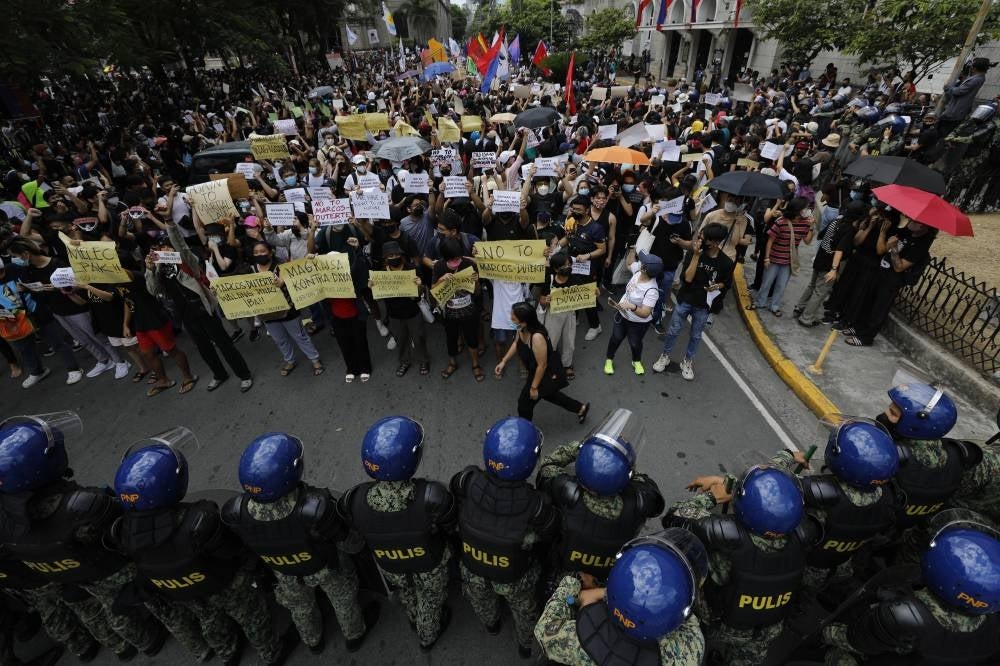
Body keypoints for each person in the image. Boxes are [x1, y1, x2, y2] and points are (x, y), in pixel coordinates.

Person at [113, 431, 295, 666]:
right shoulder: (199, 520)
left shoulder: (122, 530)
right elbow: (232, 550)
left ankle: (227, 652)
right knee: (252, 615)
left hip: (181, 590)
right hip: (221, 582)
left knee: (208, 618)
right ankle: (272, 653)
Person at [0, 412, 168, 661]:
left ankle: (115, 646)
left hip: (56, 573)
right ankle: (158, 631)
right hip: (104, 568)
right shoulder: (82, 506)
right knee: (130, 594)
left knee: (83, 607)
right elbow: (125, 525)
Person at [221, 433, 379, 655]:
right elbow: (349, 544)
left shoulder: (236, 511)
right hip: (325, 568)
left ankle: (313, 641)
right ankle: (354, 635)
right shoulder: (315, 507)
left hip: (285, 572)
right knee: (343, 600)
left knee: (300, 607)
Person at [665, 463, 812, 665]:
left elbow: (675, 515)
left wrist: (713, 496)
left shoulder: (726, 541)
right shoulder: (804, 536)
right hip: (769, 626)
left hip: (722, 625)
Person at [822, 510, 1000, 664]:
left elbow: (852, 640)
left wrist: (827, 632)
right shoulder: (993, 630)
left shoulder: (903, 615)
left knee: (835, 653)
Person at [339, 416, 455, 651]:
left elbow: (353, 537)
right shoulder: (432, 496)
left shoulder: (355, 500)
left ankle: (413, 616)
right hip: (429, 564)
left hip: (391, 564)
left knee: (407, 591)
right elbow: (450, 528)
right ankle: (427, 635)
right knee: (431, 600)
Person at [450, 417, 557, 659]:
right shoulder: (537, 505)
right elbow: (548, 535)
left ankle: (492, 624)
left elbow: (453, 505)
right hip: (515, 575)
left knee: (481, 599)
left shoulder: (466, 480)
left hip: (473, 567)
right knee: (524, 609)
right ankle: (525, 645)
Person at [534, 529, 707, 665]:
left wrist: (574, 581)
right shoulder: (689, 651)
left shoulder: (575, 641)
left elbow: (543, 630)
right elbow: (686, 615)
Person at [536, 408, 664, 583]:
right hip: (605, 579)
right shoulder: (641, 502)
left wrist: (580, 448)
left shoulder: (564, 490)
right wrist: (623, 461)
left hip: (565, 573)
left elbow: (547, 467)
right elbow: (646, 485)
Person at [773, 417, 900, 593]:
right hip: (842, 565)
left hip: (806, 565)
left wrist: (786, 455)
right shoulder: (887, 498)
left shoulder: (819, 494)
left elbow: (771, 486)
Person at [146, 221, 254, 392]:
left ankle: (244, 374)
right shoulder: (158, 269)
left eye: (167, 247)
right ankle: (219, 374)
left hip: (203, 309)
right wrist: (150, 270)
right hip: (186, 315)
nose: (164, 251)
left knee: (224, 344)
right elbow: (153, 290)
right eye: (161, 248)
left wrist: (170, 223)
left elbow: (181, 244)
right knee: (204, 348)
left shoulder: (186, 260)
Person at [653, 223, 733, 381]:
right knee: (673, 330)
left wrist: (718, 285)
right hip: (686, 299)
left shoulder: (726, 263)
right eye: (701, 236)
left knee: (696, 336)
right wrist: (696, 256)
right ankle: (665, 355)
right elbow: (687, 278)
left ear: (715, 242)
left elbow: (726, 283)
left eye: (705, 238)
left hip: (703, 306)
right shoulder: (693, 253)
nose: (700, 240)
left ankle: (687, 361)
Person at [496, 301, 590, 423]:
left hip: (545, 373)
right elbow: (516, 343)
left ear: (524, 321)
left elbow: (542, 365)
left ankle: (525, 429)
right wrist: (504, 361)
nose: (511, 319)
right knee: (550, 394)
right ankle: (580, 408)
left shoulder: (537, 338)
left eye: (513, 318)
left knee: (524, 403)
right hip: (536, 370)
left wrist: (534, 387)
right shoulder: (521, 328)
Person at [248, 241, 324, 376]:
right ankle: (290, 360)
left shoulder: (281, 265)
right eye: (256, 252)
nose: (259, 254)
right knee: (280, 340)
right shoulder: (250, 269)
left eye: (262, 251)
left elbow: (292, 279)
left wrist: (282, 282)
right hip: (266, 313)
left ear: (270, 253)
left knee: (300, 336)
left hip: (288, 311)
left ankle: (314, 359)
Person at [537, 251, 597, 380]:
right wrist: (545, 301)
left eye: (569, 265)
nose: (568, 268)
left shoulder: (575, 279)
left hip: (570, 314)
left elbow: (588, 293)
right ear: (555, 269)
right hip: (553, 315)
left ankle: (567, 365)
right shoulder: (550, 280)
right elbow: (541, 300)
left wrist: (595, 292)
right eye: (564, 266)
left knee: (569, 341)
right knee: (551, 342)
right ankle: (548, 365)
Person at [431, 237, 483, 382]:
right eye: (452, 259)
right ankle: (452, 363)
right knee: (451, 339)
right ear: (445, 257)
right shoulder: (439, 267)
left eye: (458, 257)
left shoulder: (470, 264)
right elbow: (433, 292)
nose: (456, 261)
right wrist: (440, 280)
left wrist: (476, 282)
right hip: (449, 314)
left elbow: (477, 293)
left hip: (469, 311)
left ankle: (475, 364)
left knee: (472, 339)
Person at [603, 249, 662, 376]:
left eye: (642, 262)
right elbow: (629, 262)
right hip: (622, 315)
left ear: (645, 269)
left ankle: (636, 361)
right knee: (616, 338)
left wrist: (631, 306)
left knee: (635, 344)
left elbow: (646, 313)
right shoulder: (637, 272)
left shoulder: (652, 290)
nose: (639, 262)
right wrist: (632, 249)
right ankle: (609, 359)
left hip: (638, 323)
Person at [752, 196, 814, 316]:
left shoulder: (806, 224)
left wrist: (811, 227)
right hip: (774, 258)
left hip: (788, 261)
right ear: (798, 209)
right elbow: (770, 240)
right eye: (806, 208)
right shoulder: (781, 221)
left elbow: (807, 241)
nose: (808, 210)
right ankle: (760, 302)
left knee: (781, 285)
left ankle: (775, 306)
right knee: (767, 282)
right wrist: (766, 258)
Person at [377, 240, 430, 377]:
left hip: (413, 312)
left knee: (418, 337)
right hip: (394, 314)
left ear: (401, 255)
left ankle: (423, 361)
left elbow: (420, 295)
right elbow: (378, 298)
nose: (394, 258)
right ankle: (404, 361)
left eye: (396, 255)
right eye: (390, 256)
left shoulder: (413, 269)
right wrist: (374, 287)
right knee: (401, 339)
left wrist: (419, 286)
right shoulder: (381, 274)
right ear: (385, 258)